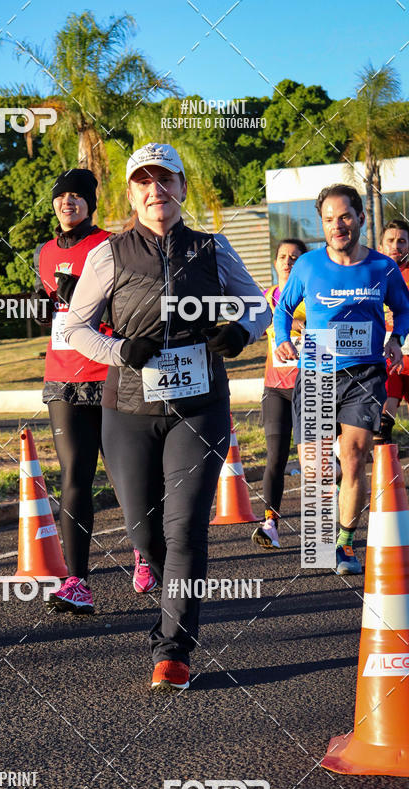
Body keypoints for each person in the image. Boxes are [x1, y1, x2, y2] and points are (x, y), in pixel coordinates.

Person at [64, 142, 270, 690]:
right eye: (144, 182)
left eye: (167, 180)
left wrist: (241, 331)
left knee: (185, 530)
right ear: (131, 193)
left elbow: (258, 305)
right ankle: (166, 585)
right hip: (128, 408)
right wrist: (117, 351)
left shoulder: (213, 247)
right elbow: (73, 328)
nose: (156, 191)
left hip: (199, 407)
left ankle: (173, 648)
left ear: (181, 187)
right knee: (143, 530)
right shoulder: (108, 254)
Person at [31, 168, 156, 616]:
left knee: (126, 474)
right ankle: (78, 583)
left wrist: (84, 298)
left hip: (107, 371)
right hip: (62, 375)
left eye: (77, 196)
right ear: (54, 204)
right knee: (74, 477)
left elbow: (125, 313)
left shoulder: (108, 246)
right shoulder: (44, 253)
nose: (68, 203)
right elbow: (53, 309)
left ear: (91, 204)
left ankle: (143, 551)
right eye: (61, 196)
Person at [274, 184, 409, 576]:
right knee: (316, 468)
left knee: (353, 457)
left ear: (361, 218)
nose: (338, 225)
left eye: (345, 216)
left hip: (365, 372)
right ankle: (331, 498)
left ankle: (345, 544)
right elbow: (282, 309)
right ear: (322, 224)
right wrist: (283, 339)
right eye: (329, 219)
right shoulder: (308, 266)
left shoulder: (381, 268)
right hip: (316, 372)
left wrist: (397, 338)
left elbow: (402, 309)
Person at [252, 238, 308, 550]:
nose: (287, 261)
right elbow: (252, 326)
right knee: (275, 457)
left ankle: (326, 531)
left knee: (314, 461)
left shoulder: (314, 296)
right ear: (275, 263)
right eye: (282, 257)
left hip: (310, 386)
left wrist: (303, 323)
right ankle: (270, 523)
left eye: (294, 257)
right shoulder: (268, 297)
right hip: (274, 388)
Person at [377, 219, 409, 443]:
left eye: (402, 241)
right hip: (386, 353)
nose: (396, 246)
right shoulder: (371, 274)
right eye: (390, 240)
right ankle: (385, 473)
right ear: (381, 246)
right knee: (383, 421)